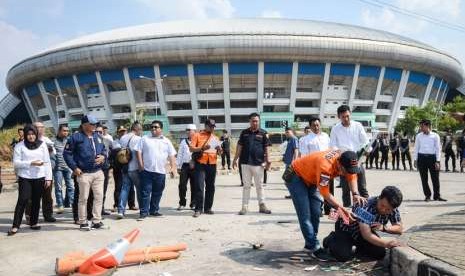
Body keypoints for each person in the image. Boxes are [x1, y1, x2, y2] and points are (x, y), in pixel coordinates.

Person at [283, 149, 366, 261]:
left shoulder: (347, 160)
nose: (348, 173)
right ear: (340, 165)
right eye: (346, 171)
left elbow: (352, 176)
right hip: (296, 177)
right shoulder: (325, 167)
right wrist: (341, 209)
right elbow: (325, 193)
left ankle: (310, 243)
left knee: (316, 212)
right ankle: (314, 247)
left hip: (312, 178)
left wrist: (355, 194)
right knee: (305, 214)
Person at [324, 186, 403, 261]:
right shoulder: (365, 205)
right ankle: (330, 239)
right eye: (382, 205)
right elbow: (367, 235)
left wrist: (384, 228)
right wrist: (387, 244)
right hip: (346, 230)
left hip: (360, 234)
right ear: (379, 198)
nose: (384, 210)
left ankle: (359, 247)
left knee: (380, 253)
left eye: (388, 209)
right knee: (343, 256)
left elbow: (399, 228)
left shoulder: (392, 209)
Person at [64, 115, 107, 231]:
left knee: (99, 197)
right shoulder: (75, 137)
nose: (94, 126)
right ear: (84, 125)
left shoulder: (98, 136)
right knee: (83, 198)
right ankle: (83, 222)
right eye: (92, 124)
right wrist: (74, 168)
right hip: (84, 173)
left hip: (98, 172)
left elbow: (104, 149)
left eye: (95, 124)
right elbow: (67, 154)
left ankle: (96, 221)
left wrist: (103, 156)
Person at [9, 124, 52, 235]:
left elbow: (47, 162)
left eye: (33, 134)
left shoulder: (42, 145)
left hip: (39, 177)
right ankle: (15, 225)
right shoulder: (19, 146)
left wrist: (48, 178)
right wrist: (31, 163)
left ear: (36, 134)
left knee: (36, 200)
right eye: (28, 134)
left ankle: (34, 222)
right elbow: (16, 163)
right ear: (25, 134)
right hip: (25, 177)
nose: (31, 137)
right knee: (23, 199)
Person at [329, 105, 369, 207]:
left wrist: (367, 150)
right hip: (344, 162)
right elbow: (332, 146)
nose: (346, 119)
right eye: (343, 117)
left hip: (357, 160)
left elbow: (365, 141)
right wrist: (339, 155)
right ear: (339, 117)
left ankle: (367, 209)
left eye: (347, 116)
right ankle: (347, 214)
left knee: (362, 187)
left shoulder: (358, 126)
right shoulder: (335, 129)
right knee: (346, 190)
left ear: (350, 113)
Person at [135, 120, 176, 219]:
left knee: (157, 192)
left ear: (161, 129)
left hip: (160, 171)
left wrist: (173, 167)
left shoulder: (166, 141)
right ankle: (144, 212)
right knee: (145, 192)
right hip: (147, 171)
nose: (153, 129)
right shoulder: (145, 138)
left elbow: (171, 155)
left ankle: (154, 210)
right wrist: (141, 164)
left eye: (156, 127)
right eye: (152, 127)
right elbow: (138, 151)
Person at [233, 113, 272, 215]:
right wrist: (235, 159)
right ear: (249, 121)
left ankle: (262, 206)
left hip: (258, 164)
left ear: (259, 121)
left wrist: (268, 160)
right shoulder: (244, 133)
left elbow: (267, 147)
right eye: (253, 121)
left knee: (260, 186)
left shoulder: (263, 133)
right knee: (246, 186)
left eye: (256, 121)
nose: (255, 123)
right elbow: (239, 147)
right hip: (245, 163)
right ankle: (244, 207)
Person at [189, 119, 222, 218]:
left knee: (211, 187)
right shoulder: (197, 135)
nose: (212, 128)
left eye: (213, 127)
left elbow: (220, 153)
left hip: (212, 164)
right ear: (206, 126)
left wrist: (219, 150)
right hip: (200, 164)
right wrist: (202, 148)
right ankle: (198, 209)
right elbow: (191, 148)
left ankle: (208, 208)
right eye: (210, 126)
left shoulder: (215, 137)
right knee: (199, 186)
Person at [25, 122, 56, 223]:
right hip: (31, 174)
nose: (41, 129)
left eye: (42, 127)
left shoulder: (46, 140)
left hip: (46, 171)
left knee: (47, 196)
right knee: (31, 197)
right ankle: (30, 216)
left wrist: (49, 177)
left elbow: (53, 154)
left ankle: (48, 215)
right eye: (38, 127)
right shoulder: (26, 141)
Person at [413, 119, 446, 202]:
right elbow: (416, 148)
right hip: (421, 158)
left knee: (435, 178)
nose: (421, 128)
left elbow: (438, 149)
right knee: (424, 178)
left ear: (428, 126)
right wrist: (415, 160)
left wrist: (438, 161)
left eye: (422, 126)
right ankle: (427, 195)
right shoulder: (419, 136)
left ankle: (437, 196)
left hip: (432, 158)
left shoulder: (435, 136)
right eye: (420, 126)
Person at [116, 122, 143, 219]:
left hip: (125, 167)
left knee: (125, 188)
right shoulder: (138, 139)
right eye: (141, 130)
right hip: (135, 168)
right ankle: (142, 210)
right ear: (137, 129)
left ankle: (120, 210)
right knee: (139, 189)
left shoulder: (123, 138)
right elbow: (139, 153)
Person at [176, 124, 197, 211]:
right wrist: (178, 166)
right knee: (182, 185)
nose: (187, 132)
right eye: (187, 130)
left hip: (195, 166)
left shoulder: (198, 141)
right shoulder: (183, 142)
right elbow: (180, 154)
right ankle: (182, 203)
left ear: (194, 131)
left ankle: (193, 203)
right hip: (185, 166)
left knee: (195, 186)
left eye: (189, 130)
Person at [53, 125, 74, 213]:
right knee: (58, 187)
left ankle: (73, 204)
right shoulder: (53, 141)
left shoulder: (70, 140)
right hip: (58, 168)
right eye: (64, 130)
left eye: (67, 131)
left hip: (68, 167)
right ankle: (60, 205)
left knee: (70, 187)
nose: (66, 132)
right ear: (59, 131)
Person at [95, 125, 112, 216]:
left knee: (103, 190)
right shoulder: (90, 141)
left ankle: (101, 209)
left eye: (100, 132)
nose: (98, 134)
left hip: (105, 169)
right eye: (96, 132)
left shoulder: (107, 141)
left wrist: (110, 166)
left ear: (103, 132)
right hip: (94, 169)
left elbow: (113, 152)